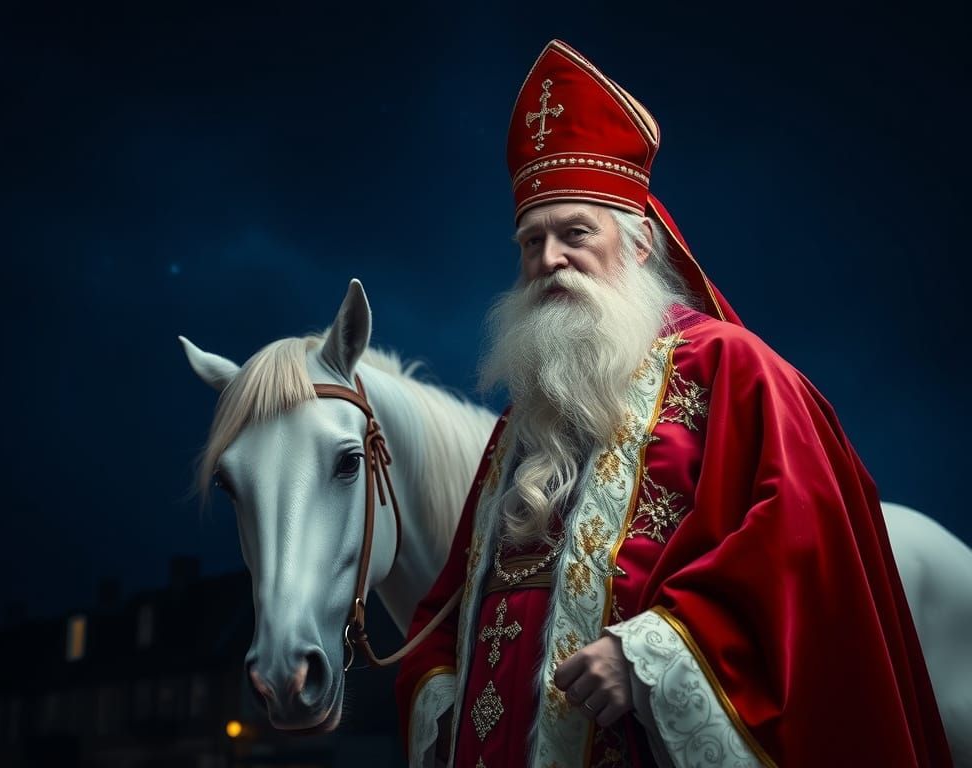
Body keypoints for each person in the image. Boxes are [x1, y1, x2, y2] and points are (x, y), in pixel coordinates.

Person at [394, 39, 951, 767]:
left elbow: (806, 536)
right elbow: (450, 602)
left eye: (574, 234)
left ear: (641, 243)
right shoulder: (521, 424)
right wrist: (438, 682)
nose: (550, 258)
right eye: (532, 241)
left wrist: (652, 652)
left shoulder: (731, 366)